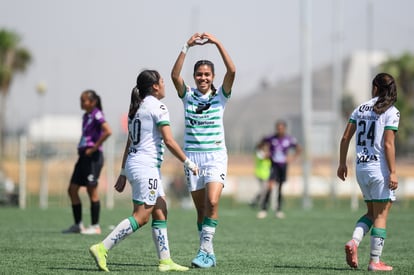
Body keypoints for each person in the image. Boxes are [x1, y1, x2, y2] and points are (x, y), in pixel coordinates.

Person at [89, 70, 198, 272]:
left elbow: (130, 143)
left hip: (137, 165)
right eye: (163, 81)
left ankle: (165, 261)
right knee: (141, 216)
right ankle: (102, 247)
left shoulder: (136, 109)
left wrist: (123, 171)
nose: (165, 85)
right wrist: (188, 162)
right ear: (155, 86)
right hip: (146, 168)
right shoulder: (159, 107)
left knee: (160, 210)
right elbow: (169, 140)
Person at [171, 32, 236, 268]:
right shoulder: (187, 96)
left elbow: (233, 71)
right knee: (201, 211)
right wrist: (186, 46)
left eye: (207, 74)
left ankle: (204, 250)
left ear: (213, 76)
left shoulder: (220, 96)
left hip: (216, 156)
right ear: (195, 76)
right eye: (199, 74)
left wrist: (217, 42)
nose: (203, 78)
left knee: (212, 202)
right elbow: (174, 75)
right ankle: (207, 253)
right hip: (193, 159)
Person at [337, 72, 399, 272]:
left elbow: (345, 138)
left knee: (371, 213)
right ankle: (375, 261)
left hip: (361, 169)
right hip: (379, 170)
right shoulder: (391, 111)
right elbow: (388, 144)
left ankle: (354, 242)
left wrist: (341, 164)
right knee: (381, 214)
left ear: (375, 88)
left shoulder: (360, 108)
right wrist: (393, 172)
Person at [62, 90, 112, 234]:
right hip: (83, 157)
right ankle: (78, 225)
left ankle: (95, 226)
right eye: (81, 100)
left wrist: (94, 147)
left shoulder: (97, 114)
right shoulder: (86, 116)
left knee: (91, 190)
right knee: (72, 189)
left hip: (94, 158)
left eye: (84, 101)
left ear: (93, 102)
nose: (82, 103)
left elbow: (108, 131)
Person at [257, 120, 301, 219]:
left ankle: (279, 210)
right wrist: (264, 153)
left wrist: (292, 158)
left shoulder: (289, 139)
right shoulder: (271, 138)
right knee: (270, 186)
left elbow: (298, 148)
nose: (280, 130)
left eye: (281, 128)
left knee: (280, 188)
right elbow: (260, 144)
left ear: (285, 129)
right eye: (278, 128)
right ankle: (264, 209)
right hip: (274, 165)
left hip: (283, 166)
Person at [249, 138, 271, 208]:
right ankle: (261, 204)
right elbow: (265, 157)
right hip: (261, 174)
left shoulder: (266, 152)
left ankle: (255, 200)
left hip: (267, 174)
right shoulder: (259, 152)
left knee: (265, 190)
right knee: (264, 190)